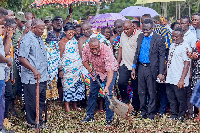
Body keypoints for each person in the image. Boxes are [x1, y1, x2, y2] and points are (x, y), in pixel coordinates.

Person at [131, 19, 165, 120]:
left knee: (152, 92)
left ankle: (151, 113)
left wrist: (161, 73)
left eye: (147, 30)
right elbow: (137, 52)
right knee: (141, 91)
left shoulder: (159, 38)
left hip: (152, 68)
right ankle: (143, 112)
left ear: (152, 28)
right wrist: (134, 67)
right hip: (141, 67)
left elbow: (162, 57)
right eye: (143, 29)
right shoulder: (140, 36)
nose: (145, 31)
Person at [80, 37, 118, 126]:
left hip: (108, 72)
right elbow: (84, 61)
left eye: (96, 48)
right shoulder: (86, 48)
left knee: (108, 94)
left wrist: (107, 87)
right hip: (96, 70)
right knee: (92, 93)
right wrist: (89, 68)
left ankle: (109, 119)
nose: (94, 50)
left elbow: (110, 71)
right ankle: (89, 116)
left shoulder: (106, 50)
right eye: (92, 48)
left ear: (99, 45)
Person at [18, 19, 48, 128]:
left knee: (40, 101)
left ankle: (38, 122)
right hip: (31, 77)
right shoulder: (27, 39)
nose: (42, 31)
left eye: (43, 29)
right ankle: (32, 123)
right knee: (32, 102)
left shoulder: (39, 38)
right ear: (33, 27)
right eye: (41, 29)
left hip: (42, 76)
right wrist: (33, 69)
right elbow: (22, 58)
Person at [165, 27, 191, 122]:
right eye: (173, 36)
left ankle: (181, 116)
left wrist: (182, 80)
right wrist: (165, 74)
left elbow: (187, 64)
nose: (174, 38)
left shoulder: (185, 47)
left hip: (179, 78)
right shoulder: (172, 45)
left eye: (176, 37)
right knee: (171, 98)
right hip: (170, 77)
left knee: (181, 99)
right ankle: (173, 115)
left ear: (182, 36)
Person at [58, 22, 85, 112]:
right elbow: (59, 57)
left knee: (76, 86)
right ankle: (67, 107)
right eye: (69, 32)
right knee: (67, 87)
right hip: (67, 69)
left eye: (72, 32)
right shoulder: (62, 42)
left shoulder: (76, 41)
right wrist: (60, 69)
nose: (71, 34)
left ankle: (75, 105)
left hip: (77, 68)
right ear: (65, 32)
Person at [117, 20, 140, 113]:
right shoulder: (123, 34)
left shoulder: (139, 35)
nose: (125, 31)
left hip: (136, 66)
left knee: (136, 88)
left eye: (127, 29)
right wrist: (117, 62)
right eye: (124, 29)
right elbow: (120, 48)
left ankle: (134, 107)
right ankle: (125, 101)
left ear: (133, 27)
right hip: (125, 64)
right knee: (121, 83)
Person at [45, 16, 65, 100]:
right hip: (51, 62)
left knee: (61, 81)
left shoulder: (65, 34)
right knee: (51, 80)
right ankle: (51, 99)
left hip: (63, 60)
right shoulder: (47, 34)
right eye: (56, 23)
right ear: (52, 24)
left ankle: (61, 100)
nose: (58, 24)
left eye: (59, 23)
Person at [0, 7, 12, 133]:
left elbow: (6, 50)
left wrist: (7, 36)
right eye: (4, 20)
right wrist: (7, 60)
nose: (5, 23)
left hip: (2, 73)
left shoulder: (1, 34)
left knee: (2, 99)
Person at [11, 12, 26, 114]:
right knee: (14, 82)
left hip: (22, 59)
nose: (24, 23)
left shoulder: (22, 30)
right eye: (22, 21)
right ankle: (11, 107)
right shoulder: (14, 31)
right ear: (16, 20)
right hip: (13, 59)